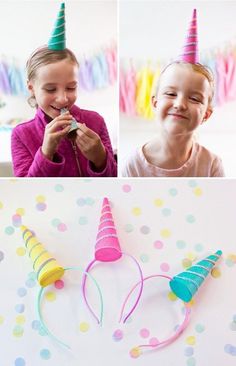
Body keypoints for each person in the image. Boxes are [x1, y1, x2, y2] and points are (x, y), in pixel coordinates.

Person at [11, 46, 117, 177]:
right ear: (31, 88)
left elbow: (113, 178)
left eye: (71, 87)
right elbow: (25, 189)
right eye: (50, 89)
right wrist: (46, 154)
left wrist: (100, 158)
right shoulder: (21, 135)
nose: (63, 99)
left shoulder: (96, 121)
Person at [122, 61, 224, 177]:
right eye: (171, 94)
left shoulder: (212, 165)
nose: (180, 104)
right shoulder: (133, 165)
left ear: (206, 115)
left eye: (194, 99)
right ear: (155, 104)